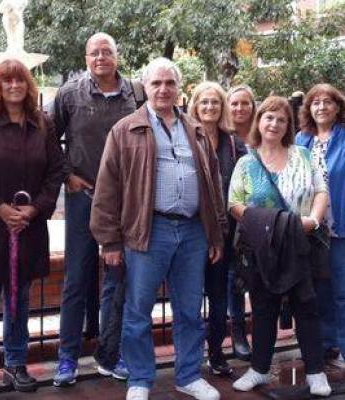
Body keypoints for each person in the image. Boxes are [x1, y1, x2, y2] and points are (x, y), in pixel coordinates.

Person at [91, 57, 226, 400]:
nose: (164, 89)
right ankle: (140, 379)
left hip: (193, 232)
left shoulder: (195, 129)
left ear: (180, 89)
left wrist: (215, 232)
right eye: (157, 83)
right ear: (145, 88)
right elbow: (107, 188)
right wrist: (109, 241)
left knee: (189, 311)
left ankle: (189, 375)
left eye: (170, 83)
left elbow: (214, 186)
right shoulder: (126, 130)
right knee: (137, 312)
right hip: (149, 231)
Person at [0, 59, 64, 400]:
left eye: (19, 80)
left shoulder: (43, 123)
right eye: (6, 81)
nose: (13, 86)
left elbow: (56, 173)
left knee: (19, 300)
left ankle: (15, 363)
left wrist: (34, 208)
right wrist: (1, 208)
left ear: (28, 85)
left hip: (29, 226)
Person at [229, 96, 332, 396]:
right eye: (268, 117)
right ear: (259, 121)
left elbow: (321, 190)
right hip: (263, 248)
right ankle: (259, 369)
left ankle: (315, 371)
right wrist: (268, 224)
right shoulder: (246, 161)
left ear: (288, 125)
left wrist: (312, 220)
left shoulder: (303, 154)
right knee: (263, 308)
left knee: (306, 306)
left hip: (302, 243)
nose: (274, 124)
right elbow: (234, 203)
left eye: (281, 119)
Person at [50, 32, 137, 386]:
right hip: (83, 195)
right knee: (76, 278)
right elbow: (47, 139)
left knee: (119, 278)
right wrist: (67, 175)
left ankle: (111, 353)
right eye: (93, 52)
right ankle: (67, 359)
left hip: (126, 199)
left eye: (106, 51)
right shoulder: (69, 94)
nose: (100, 57)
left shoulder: (138, 92)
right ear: (86, 58)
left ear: (117, 56)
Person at [189, 82, 247, 375]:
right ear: (195, 105)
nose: (210, 107)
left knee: (218, 296)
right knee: (188, 297)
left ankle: (216, 353)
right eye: (204, 102)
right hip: (190, 231)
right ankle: (189, 355)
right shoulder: (185, 138)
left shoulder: (234, 144)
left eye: (215, 102)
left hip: (223, 234)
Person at [296, 84, 345, 365]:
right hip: (311, 229)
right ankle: (327, 344)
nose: (321, 107)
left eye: (328, 102)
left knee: (342, 291)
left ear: (337, 107)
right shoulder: (302, 140)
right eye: (315, 102)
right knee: (319, 289)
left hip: (339, 228)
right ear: (309, 108)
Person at [225, 84, 257, 361]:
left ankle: (263, 329)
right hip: (233, 218)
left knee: (261, 276)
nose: (239, 108)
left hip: (262, 218)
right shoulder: (223, 138)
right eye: (234, 103)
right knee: (234, 278)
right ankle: (237, 333)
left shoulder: (262, 136)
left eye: (244, 103)